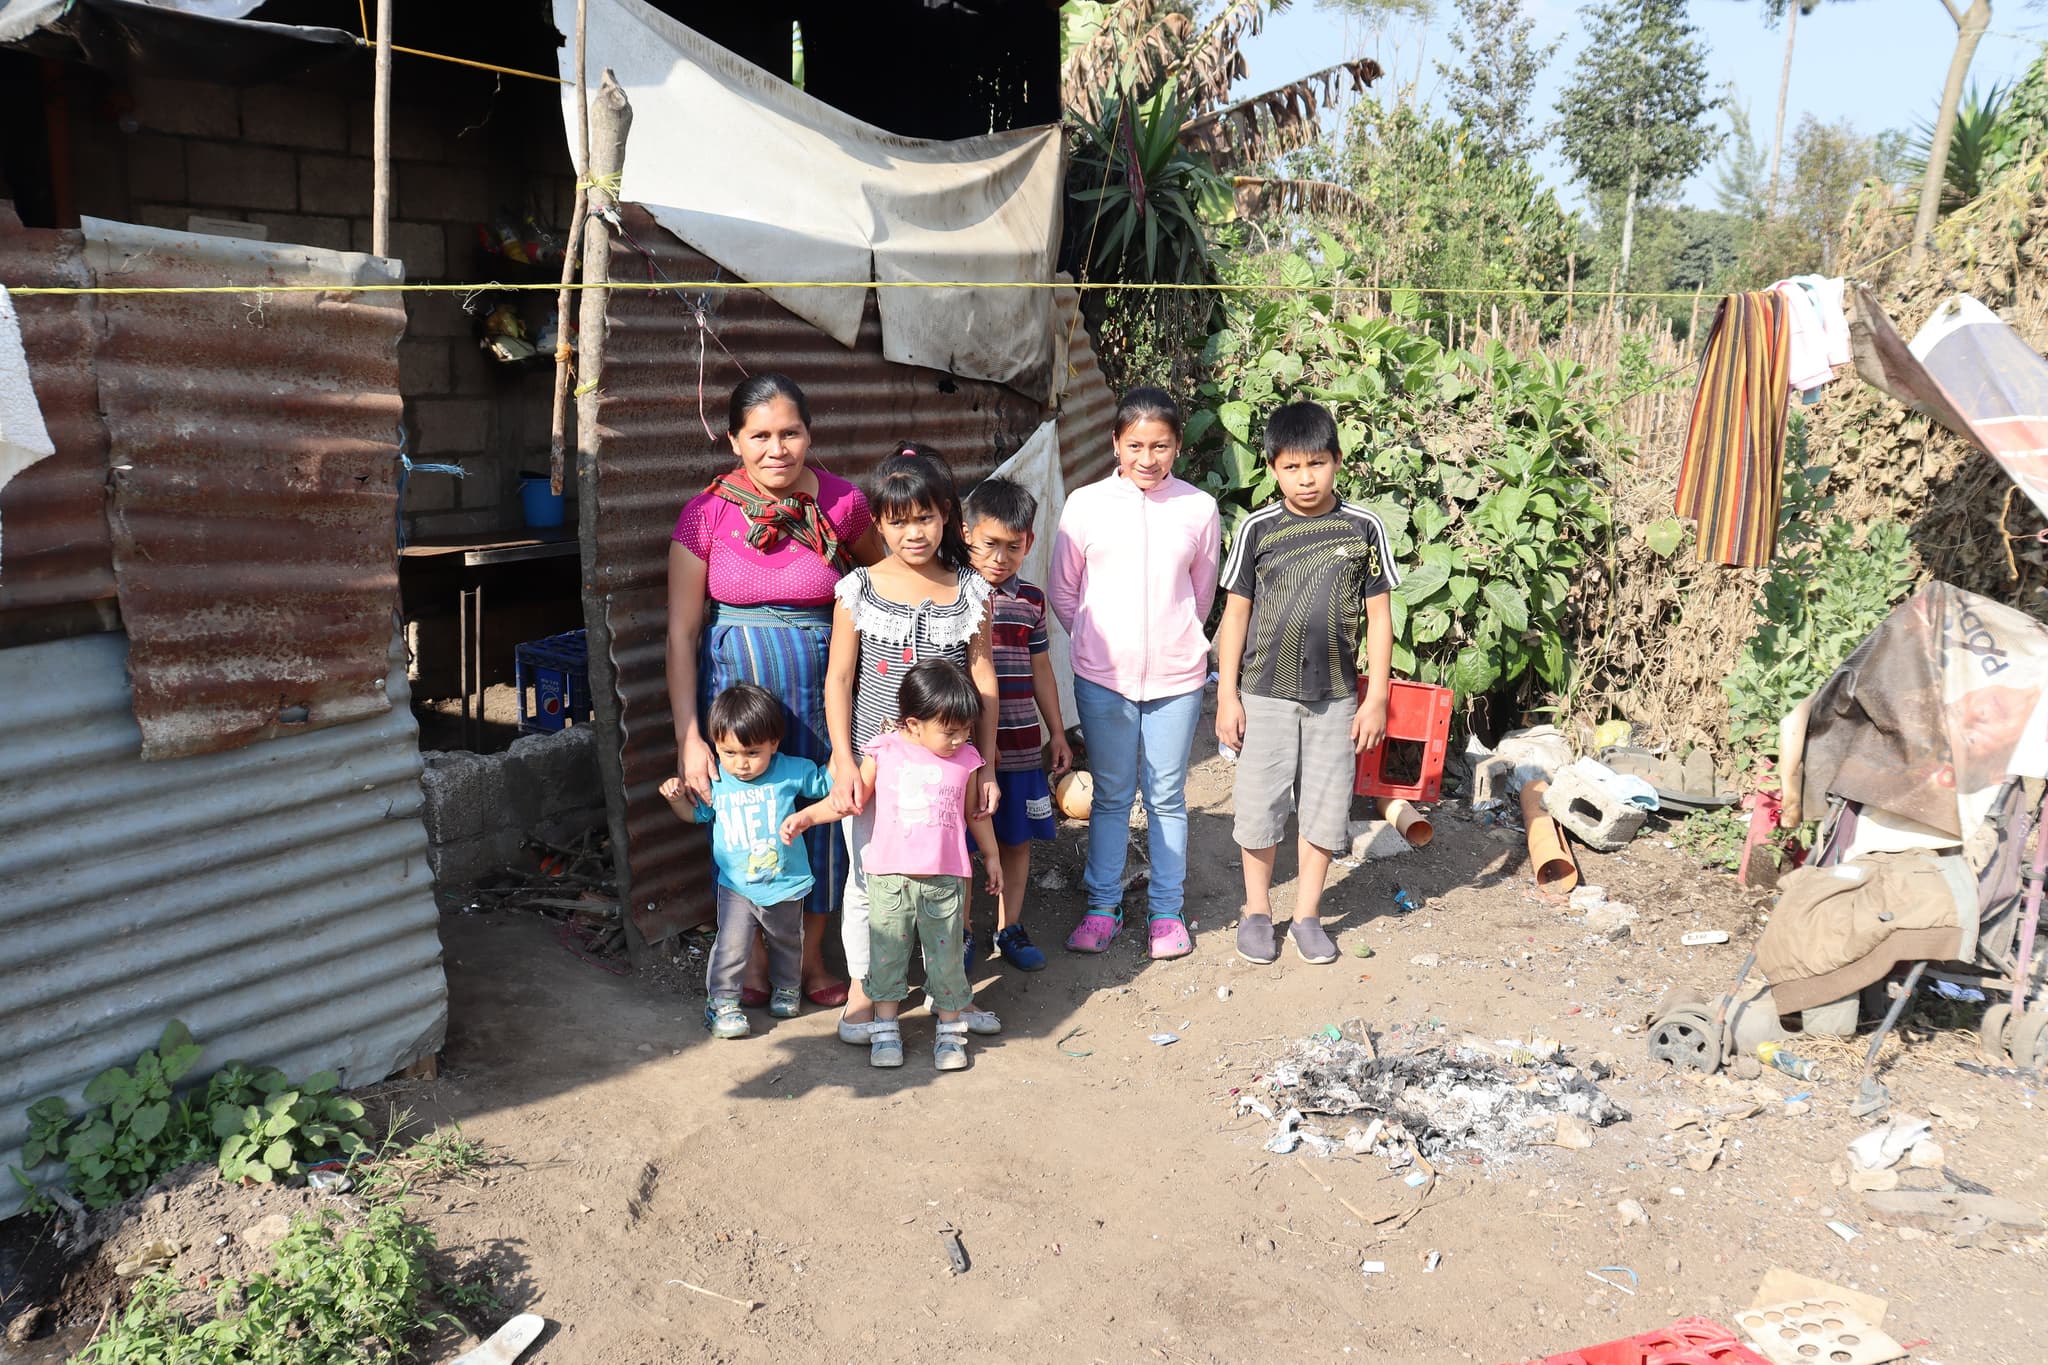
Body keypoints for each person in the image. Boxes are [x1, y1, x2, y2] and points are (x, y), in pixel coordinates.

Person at [666, 373, 880, 1009]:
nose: (777, 448)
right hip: (735, 694)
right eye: (759, 435)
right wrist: (689, 739)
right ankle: (754, 956)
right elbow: (680, 635)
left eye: (791, 433)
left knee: (815, 817)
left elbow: (882, 582)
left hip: (823, 692)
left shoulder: (843, 505)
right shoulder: (705, 515)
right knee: (741, 820)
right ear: (734, 440)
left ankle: (811, 958)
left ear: (810, 434)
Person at [825, 447, 1004, 1043]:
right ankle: (865, 988)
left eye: (925, 517)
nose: (914, 532)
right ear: (877, 522)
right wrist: (843, 756)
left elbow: (984, 682)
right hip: (878, 769)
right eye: (898, 521)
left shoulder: (970, 589)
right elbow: (841, 679)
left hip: (951, 771)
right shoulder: (857, 590)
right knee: (867, 877)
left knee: (951, 878)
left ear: (948, 516)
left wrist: (986, 767)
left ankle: (949, 991)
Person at [1213, 401, 1397, 966]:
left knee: (1323, 806)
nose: (1305, 478)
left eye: (1316, 464)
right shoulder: (1256, 530)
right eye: (1291, 467)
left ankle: (1309, 916)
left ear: (1337, 461)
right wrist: (1226, 697)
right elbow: (1236, 616)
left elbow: (1381, 619)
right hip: (1264, 693)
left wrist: (1378, 699)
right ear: (1272, 468)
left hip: (1337, 698)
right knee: (1260, 807)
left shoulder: (1364, 528)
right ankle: (1257, 912)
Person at [1049, 387, 1221, 960]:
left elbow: (1200, 595)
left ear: (1177, 447)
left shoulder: (1198, 509)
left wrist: (1175, 642)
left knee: (1169, 795)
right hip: (1104, 680)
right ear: (1115, 443)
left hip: (1177, 678)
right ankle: (1103, 907)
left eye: (1161, 446)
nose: (1148, 458)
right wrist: (1098, 645)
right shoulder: (1085, 505)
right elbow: (1064, 590)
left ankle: (1167, 913)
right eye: (1136, 445)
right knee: (1112, 797)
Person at [785, 660, 1002, 1071]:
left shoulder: (967, 758)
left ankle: (950, 1034)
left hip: (945, 881)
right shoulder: (883, 750)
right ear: (914, 724)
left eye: (965, 729)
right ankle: (885, 1032)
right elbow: (851, 799)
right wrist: (809, 817)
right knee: (886, 957)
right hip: (888, 882)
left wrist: (991, 856)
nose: (959, 739)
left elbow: (976, 813)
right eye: (949, 730)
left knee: (947, 958)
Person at [658, 683, 832, 1037]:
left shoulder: (791, 770)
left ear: (774, 743)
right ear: (716, 747)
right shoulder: (717, 781)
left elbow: (824, 784)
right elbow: (695, 817)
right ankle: (721, 1004)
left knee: (787, 939)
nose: (741, 764)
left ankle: (786, 988)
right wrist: (676, 799)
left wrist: (852, 752)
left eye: (752, 752)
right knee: (731, 946)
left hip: (786, 882)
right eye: (729, 752)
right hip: (736, 887)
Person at [960, 476, 1072, 971]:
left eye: (1014, 545)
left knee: (1017, 839)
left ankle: (1009, 927)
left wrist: (1059, 732)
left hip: (1023, 742)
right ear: (966, 534)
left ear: (1029, 541)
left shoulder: (1031, 599)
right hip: (962, 747)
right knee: (962, 841)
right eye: (990, 544)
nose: (1001, 557)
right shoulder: (952, 593)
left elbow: (1042, 669)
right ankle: (959, 933)